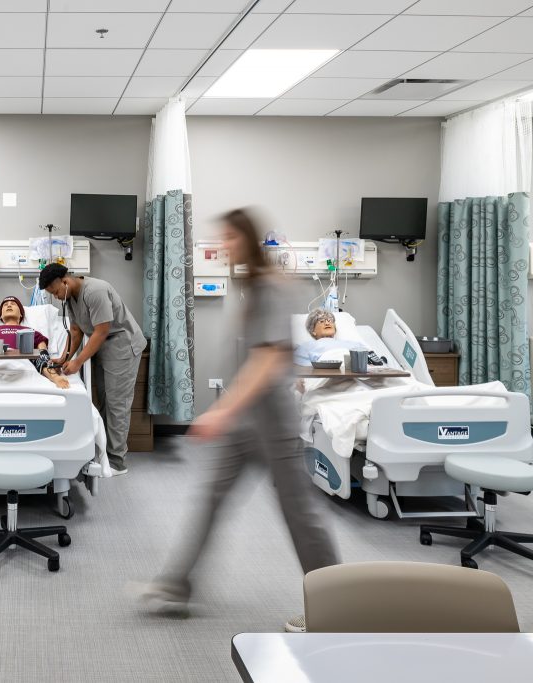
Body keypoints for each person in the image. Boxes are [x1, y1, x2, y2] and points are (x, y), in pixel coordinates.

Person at [131, 208, 340, 632]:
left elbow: (268, 360)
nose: (222, 246)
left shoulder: (270, 288)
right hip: (246, 423)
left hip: (272, 424)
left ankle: (336, 606)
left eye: (228, 238)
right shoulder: (252, 286)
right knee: (209, 500)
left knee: (300, 515)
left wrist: (221, 409)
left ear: (245, 238)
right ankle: (175, 586)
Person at [38, 263, 146, 474]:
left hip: (122, 344)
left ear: (65, 281)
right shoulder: (70, 298)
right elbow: (77, 331)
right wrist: (63, 357)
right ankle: (105, 452)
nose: (57, 297)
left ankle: (117, 462)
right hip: (103, 347)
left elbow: (102, 331)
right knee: (104, 400)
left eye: (56, 291)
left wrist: (77, 362)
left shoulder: (95, 291)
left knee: (117, 404)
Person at [0, 295, 69, 389]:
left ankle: (55, 378)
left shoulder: (31, 332)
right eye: (5, 305)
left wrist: (54, 376)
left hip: (22, 368)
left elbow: (43, 357)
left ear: (21, 314)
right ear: (0, 316)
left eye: (13, 304)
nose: (9, 305)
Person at [294, 309, 384, 367]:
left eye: (330, 321)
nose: (327, 323)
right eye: (321, 321)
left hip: (360, 376)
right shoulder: (307, 346)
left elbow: (373, 365)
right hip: (329, 377)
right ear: (313, 330)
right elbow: (301, 371)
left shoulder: (355, 344)